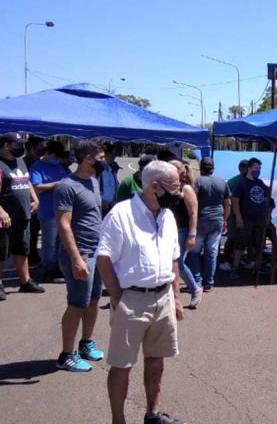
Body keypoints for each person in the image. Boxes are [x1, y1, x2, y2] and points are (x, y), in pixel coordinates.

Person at [96, 160, 185, 424]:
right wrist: (118, 298)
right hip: (131, 299)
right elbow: (103, 258)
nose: (179, 193)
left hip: (163, 298)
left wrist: (176, 297)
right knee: (122, 365)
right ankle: (118, 420)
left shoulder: (167, 216)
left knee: (156, 360)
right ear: (154, 186)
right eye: (175, 187)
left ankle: (153, 415)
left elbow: (173, 258)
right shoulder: (121, 214)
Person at [54, 140, 106, 372]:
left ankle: (86, 343)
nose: (105, 161)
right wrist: (76, 259)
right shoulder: (67, 187)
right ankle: (66, 355)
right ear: (88, 158)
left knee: (93, 300)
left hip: (96, 252)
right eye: (101, 157)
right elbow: (63, 225)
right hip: (80, 254)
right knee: (77, 304)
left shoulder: (93, 181)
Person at [0, 132, 45, 300]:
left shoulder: (20, 162)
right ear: (6, 146)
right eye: (18, 145)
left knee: (22, 249)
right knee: (1, 252)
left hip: (22, 215)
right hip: (4, 218)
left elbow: (26, 181)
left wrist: (35, 199)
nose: (22, 148)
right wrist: (2, 212)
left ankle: (26, 281)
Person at [187, 157, 230, 292]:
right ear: (213, 168)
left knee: (194, 252)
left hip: (200, 220)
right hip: (217, 220)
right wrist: (225, 220)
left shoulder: (197, 182)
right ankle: (208, 283)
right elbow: (227, 204)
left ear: (200, 168)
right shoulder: (222, 182)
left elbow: (192, 201)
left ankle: (196, 281)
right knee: (211, 252)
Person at [30, 140, 69, 282]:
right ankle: (49, 270)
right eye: (55, 156)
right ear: (48, 153)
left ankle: (59, 268)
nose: (56, 159)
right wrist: (57, 184)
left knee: (61, 242)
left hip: (62, 209)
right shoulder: (37, 167)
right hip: (48, 210)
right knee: (50, 243)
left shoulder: (59, 166)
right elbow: (36, 187)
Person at [230, 158, 273, 280]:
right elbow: (235, 200)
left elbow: (267, 196)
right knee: (240, 244)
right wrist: (238, 217)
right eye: (256, 168)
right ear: (249, 168)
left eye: (259, 168)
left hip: (259, 219)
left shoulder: (260, 183)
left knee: (257, 244)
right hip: (246, 219)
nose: (258, 170)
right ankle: (235, 268)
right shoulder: (242, 183)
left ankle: (257, 267)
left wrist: (267, 214)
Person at [167, 161, 200, 309]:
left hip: (182, 231)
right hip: (170, 231)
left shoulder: (186, 189)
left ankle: (195, 289)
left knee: (178, 264)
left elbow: (193, 213)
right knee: (169, 264)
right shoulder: (169, 188)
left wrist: (192, 235)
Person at [219, 159, 250, 272]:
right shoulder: (233, 182)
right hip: (233, 216)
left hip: (245, 216)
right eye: (247, 168)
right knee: (231, 238)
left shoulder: (250, 181)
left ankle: (237, 259)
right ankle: (225, 260)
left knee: (242, 239)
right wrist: (228, 217)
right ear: (242, 169)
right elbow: (227, 200)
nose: (249, 170)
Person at [23, 136, 45, 265]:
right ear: (32, 148)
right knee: (30, 230)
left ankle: (32, 254)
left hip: (38, 201)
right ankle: (29, 255)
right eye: (40, 146)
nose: (43, 148)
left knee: (35, 229)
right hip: (29, 201)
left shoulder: (38, 161)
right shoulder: (26, 163)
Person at [98, 142, 120, 216]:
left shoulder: (112, 171)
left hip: (111, 207)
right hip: (100, 208)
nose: (113, 156)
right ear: (105, 154)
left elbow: (117, 187)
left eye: (114, 154)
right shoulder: (97, 171)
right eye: (111, 153)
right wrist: (101, 202)